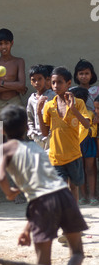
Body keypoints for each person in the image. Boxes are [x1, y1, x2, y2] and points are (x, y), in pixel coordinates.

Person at [0, 104, 86, 265]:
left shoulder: (4, 149)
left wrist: (9, 193)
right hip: (65, 195)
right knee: (78, 253)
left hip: (41, 203)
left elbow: (1, 177)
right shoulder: (37, 148)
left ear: (2, 129)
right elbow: (46, 188)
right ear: (26, 126)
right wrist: (27, 229)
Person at [0, 28, 26, 206]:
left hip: (15, 105)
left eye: (6, 43)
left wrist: (0, 82)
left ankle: (18, 192)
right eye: (0, 44)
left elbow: (22, 85)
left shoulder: (18, 62)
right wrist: (12, 85)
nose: (3, 46)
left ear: (12, 43)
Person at [37, 66, 90, 203]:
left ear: (68, 84)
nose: (55, 86)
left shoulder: (78, 103)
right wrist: (38, 112)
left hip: (74, 154)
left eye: (59, 82)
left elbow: (86, 125)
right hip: (56, 155)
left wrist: (73, 109)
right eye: (53, 82)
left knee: (73, 187)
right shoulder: (49, 106)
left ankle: (74, 215)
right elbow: (44, 132)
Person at [71, 87, 98, 205]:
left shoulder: (91, 114)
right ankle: (83, 196)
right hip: (76, 144)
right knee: (80, 169)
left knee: (90, 169)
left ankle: (92, 195)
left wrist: (91, 130)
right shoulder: (69, 115)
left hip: (88, 143)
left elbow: (94, 129)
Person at [27, 64, 55, 150]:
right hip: (37, 139)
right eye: (33, 80)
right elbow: (30, 119)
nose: (37, 82)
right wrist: (32, 133)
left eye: (40, 79)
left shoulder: (52, 96)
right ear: (30, 82)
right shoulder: (31, 99)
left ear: (46, 79)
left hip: (51, 138)